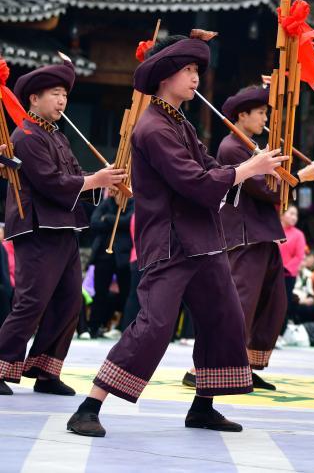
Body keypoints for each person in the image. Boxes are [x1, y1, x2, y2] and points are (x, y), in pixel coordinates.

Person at [66, 32, 287, 437]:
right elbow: (196, 182)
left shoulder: (178, 121)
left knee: (225, 317)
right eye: (187, 69)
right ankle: (88, 406)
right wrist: (246, 170)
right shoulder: (152, 127)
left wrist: (254, 164)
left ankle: (203, 406)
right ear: (166, 74)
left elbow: (205, 164)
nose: (195, 78)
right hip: (169, 242)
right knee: (154, 325)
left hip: (202, 238)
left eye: (197, 70)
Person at [0, 58, 128, 397]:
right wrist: (94, 179)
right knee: (32, 301)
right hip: (38, 228)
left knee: (70, 300)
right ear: (33, 99)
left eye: (64, 96)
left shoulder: (56, 136)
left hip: (63, 227)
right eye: (55, 94)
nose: (61, 101)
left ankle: (45, 368)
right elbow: (52, 183)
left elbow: (73, 176)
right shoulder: (26, 135)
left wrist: (105, 184)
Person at [190, 85, 314, 391]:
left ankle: (247, 365)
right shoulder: (231, 147)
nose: (266, 118)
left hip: (262, 233)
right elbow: (263, 188)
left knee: (273, 304)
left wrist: (292, 173)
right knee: (241, 303)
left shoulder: (251, 146)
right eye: (262, 112)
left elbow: (271, 184)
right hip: (243, 234)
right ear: (242, 115)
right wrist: (299, 177)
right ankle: (203, 366)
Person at [87, 194, 134, 340]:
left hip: (123, 256)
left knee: (126, 293)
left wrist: (107, 218)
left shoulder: (132, 202)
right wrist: (116, 222)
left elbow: (128, 222)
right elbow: (94, 222)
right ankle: (94, 327)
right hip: (103, 256)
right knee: (99, 292)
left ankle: (124, 327)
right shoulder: (107, 202)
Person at [279, 204, 308, 324]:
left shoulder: (298, 234)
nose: (294, 217)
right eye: (291, 213)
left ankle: (280, 333)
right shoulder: (273, 230)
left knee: (282, 304)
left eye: (296, 215)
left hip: (287, 275)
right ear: (282, 214)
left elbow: (299, 256)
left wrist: (285, 268)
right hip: (270, 272)